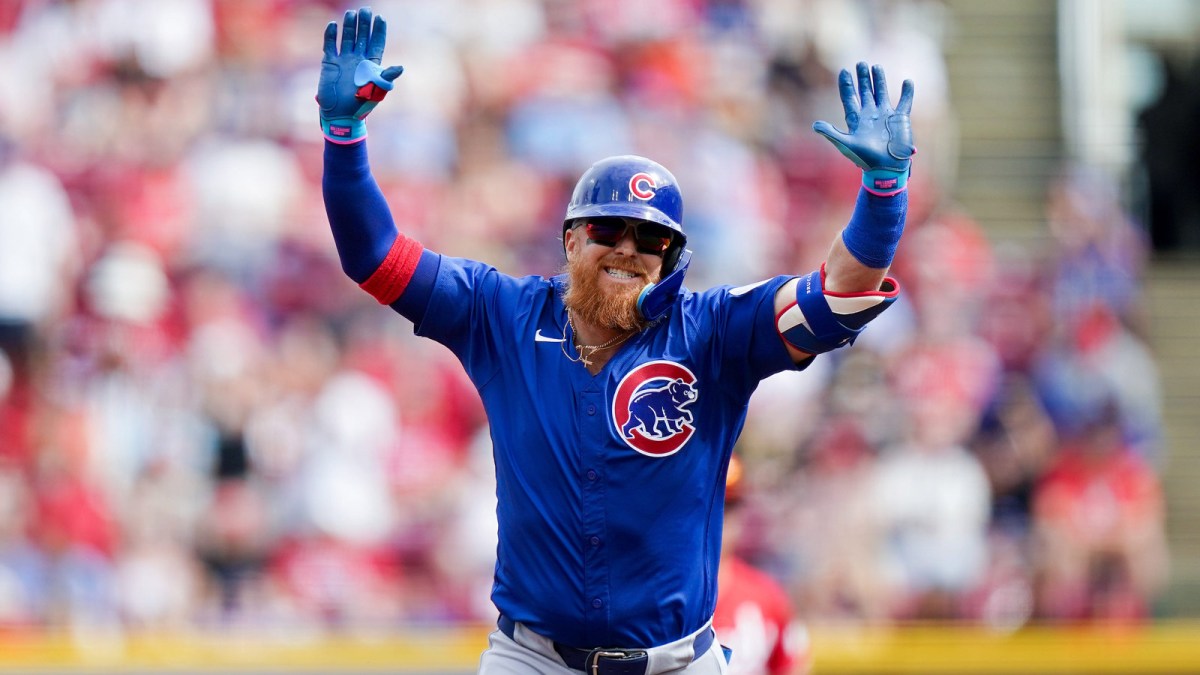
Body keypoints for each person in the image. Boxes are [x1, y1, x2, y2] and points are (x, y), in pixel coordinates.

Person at [318, 7, 915, 674]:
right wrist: (345, 138)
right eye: (609, 229)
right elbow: (372, 254)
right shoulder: (502, 314)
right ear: (572, 237)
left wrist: (883, 196)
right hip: (534, 657)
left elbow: (838, 291)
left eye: (651, 237)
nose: (628, 248)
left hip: (678, 660)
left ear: (672, 255)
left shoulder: (713, 331)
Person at [713, 455, 809, 675]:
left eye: (728, 508)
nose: (718, 520)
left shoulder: (767, 597)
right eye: (710, 507)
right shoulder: (660, 596)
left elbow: (792, 667)